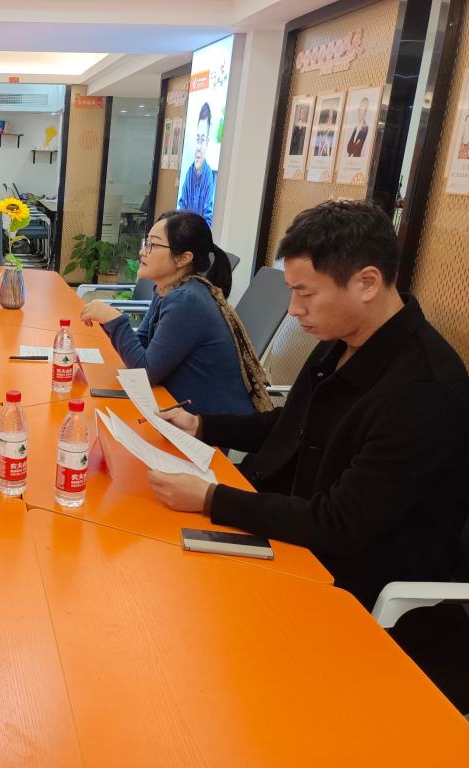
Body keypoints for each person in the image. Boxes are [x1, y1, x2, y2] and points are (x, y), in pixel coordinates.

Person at [145, 200, 469, 711]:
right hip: (294, 536)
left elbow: (339, 525)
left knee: (187, 657)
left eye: (304, 293)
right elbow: (291, 426)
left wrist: (211, 498)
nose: (294, 310)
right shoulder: (343, 342)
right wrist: (203, 424)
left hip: (351, 584)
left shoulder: (423, 392)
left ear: (366, 283)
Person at [81, 211, 270, 416]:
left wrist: (115, 320)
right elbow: (143, 344)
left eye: (153, 245)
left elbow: (144, 373)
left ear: (183, 258)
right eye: (146, 243)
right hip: (179, 409)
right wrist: (112, 322)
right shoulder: (168, 289)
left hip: (211, 424)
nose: (142, 252)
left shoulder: (187, 301)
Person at [177, 103, 215, 227]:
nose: (198, 147)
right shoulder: (189, 172)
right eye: (198, 139)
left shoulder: (208, 176)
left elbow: (208, 218)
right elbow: (182, 208)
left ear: (207, 142)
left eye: (202, 140)